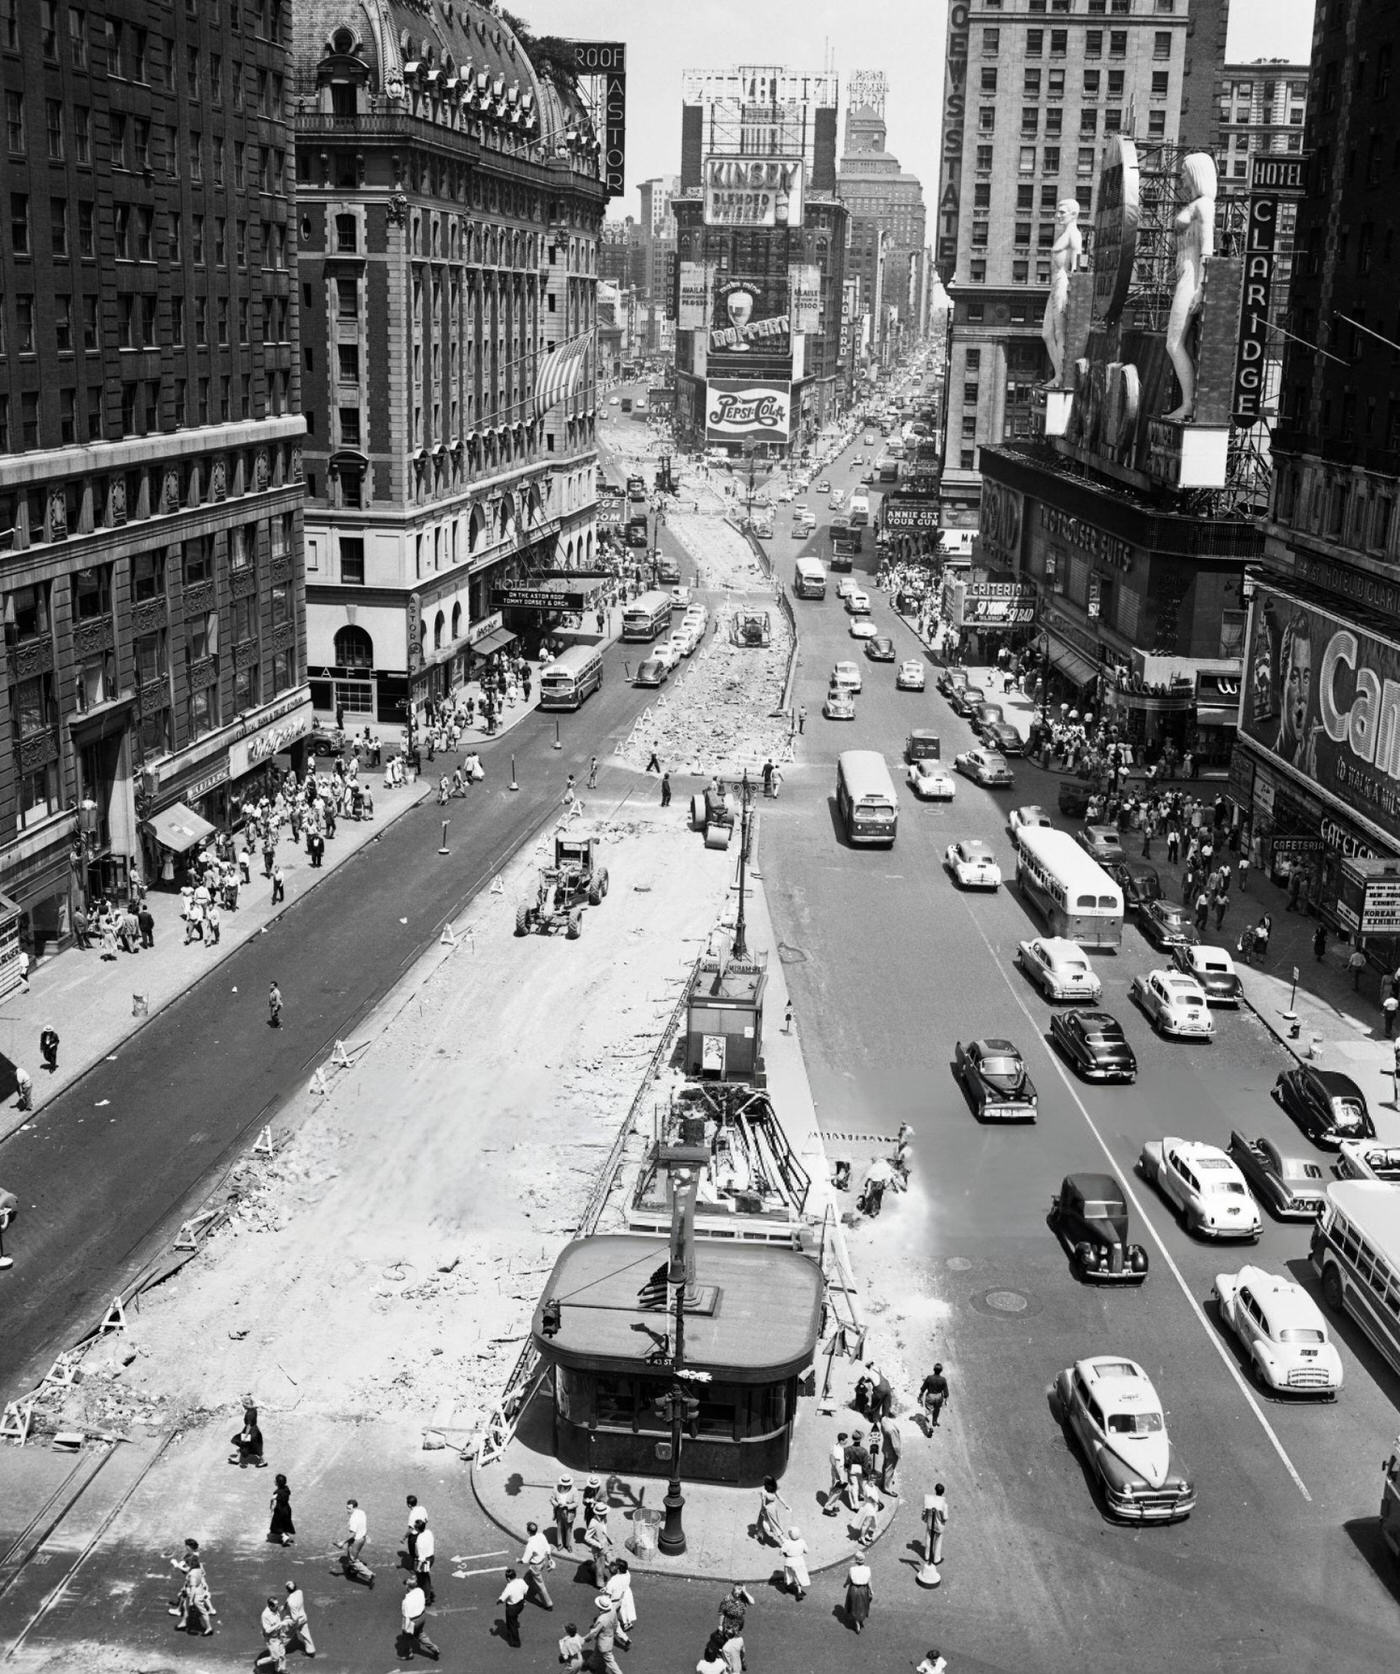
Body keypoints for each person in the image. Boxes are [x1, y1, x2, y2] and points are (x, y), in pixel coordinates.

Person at [583, 1593, 624, 1674]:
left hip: (604, 1643)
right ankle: (591, 1664)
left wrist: (584, 1639)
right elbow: (615, 1623)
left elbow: (593, 1633)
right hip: (607, 1638)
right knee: (597, 1651)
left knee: (610, 1662)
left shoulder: (602, 1619)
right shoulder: (612, 1610)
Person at [401, 1577, 439, 1660]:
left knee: (406, 1636)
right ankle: (434, 1648)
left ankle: (408, 1654)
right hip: (422, 1617)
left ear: (407, 1586)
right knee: (420, 1634)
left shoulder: (406, 1601)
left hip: (412, 1621)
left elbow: (406, 1616)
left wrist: (405, 1629)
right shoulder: (420, 1591)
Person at [338, 1498, 374, 1586]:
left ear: (354, 1508)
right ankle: (351, 1570)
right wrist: (366, 1535)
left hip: (356, 1541)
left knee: (352, 1560)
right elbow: (363, 1525)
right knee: (352, 1556)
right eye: (347, 1508)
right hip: (362, 1538)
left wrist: (343, 1542)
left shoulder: (353, 1519)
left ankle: (369, 1574)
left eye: (349, 1508)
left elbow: (352, 1535)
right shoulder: (361, 1512)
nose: (347, 1510)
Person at [520, 1521, 553, 1611]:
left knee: (540, 1585)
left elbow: (525, 1559)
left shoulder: (530, 1544)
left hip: (535, 1566)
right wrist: (549, 1558)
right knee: (527, 1578)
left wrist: (519, 1561)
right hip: (543, 1562)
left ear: (528, 1531)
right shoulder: (541, 1536)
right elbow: (547, 1547)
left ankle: (548, 1604)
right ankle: (522, 1591)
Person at [604, 1557, 636, 1648]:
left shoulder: (612, 1581)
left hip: (612, 1603)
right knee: (618, 1617)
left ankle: (625, 1639)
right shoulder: (627, 1575)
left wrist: (605, 1591)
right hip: (620, 1600)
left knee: (613, 1622)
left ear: (618, 1569)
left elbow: (607, 1596)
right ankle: (626, 1628)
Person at [281, 1582, 315, 1657]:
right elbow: (290, 1598)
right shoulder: (300, 1592)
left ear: (287, 1590)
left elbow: (295, 1617)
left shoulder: (291, 1602)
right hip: (303, 1617)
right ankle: (310, 1650)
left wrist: (289, 1624)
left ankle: (278, 1649)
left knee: (286, 1635)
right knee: (306, 1634)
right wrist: (284, 1607)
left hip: (297, 1620)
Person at [498, 1568, 529, 1647]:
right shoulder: (521, 1581)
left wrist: (499, 1601)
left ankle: (516, 1642)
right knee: (513, 1618)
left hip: (512, 1607)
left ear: (508, 1578)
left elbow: (503, 1597)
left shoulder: (509, 1587)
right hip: (520, 1604)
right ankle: (512, 1628)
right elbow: (526, 1589)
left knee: (511, 1623)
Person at [756, 1474, 789, 1545]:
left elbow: (763, 1504)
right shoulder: (774, 1490)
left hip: (767, 1510)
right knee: (773, 1522)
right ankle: (760, 1534)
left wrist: (762, 1511)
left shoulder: (764, 1492)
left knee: (772, 1524)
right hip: (773, 1508)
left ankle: (782, 1540)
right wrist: (786, 1505)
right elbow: (780, 1498)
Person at [844, 1555, 873, 1633]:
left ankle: (857, 1623)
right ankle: (861, 1619)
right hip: (864, 1589)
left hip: (853, 1589)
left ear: (856, 1561)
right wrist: (871, 1590)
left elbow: (848, 1580)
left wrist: (845, 1584)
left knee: (854, 1606)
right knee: (863, 1605)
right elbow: (869, 1581)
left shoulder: (852, 1569)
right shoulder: (867, 1569)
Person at [259, 1596, 289, 1673]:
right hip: (271, 1639)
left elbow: (279, 1609)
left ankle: (279, 1671)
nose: (277, 1607)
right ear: (270, 1606)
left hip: (279, 1636)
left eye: (277, 1604)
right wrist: (280, 1624)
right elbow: (267, 1630)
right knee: (275, 1658)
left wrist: (285, 1606)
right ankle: (259, 1663)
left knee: (282, 1655)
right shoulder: (265, 1615)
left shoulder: (275, 1608)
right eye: (276, 1605)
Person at [550, 1474, 578, 1552]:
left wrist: (566, 1505)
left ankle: (568, 1545)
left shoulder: (574, 1490)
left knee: (568, 1529)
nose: (565, 1486)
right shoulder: (556, 1488)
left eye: (567, 1484)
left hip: (568, 1512)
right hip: (559, 1510)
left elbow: (576, 1503)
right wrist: (556, 1504)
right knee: (559, 1527)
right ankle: (560, 1544)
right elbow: (552, 1499)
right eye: (564, 1484)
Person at [920, 1364, 949, 1433]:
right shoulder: (943, 1380)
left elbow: (923, 1388)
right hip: (939, 1397)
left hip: (930, 1397)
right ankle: (935, 1421)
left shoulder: (929, 1378)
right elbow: (946, 1393)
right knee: (937, 1409)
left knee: (928, 1412)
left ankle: (930, 1427)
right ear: (941, 1371)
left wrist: (920, 1396)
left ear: (934, 1369)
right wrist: (945, 1400)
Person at [926, 1481, 949, 1566]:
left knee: (929, 1539)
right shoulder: (944, 1505)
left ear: (935, 1490)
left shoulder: (930, 1500)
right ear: (942, 1492)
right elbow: (945, 1517)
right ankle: (936, 1559)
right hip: (939, 1525)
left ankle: (927, 1555)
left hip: (930, 1523)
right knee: (938, 1542)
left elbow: (926, 1511)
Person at [268, 1473, 295, 1546]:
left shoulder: (277, 1492)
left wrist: (271, 1509)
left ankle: (284, 1536)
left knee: (276, 1525)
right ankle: (286, 1535)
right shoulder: (287, 1490)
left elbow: (273, 1500)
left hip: (279, 1510)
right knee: (285, 1522)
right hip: (287, 1509)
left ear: (276, 1483)